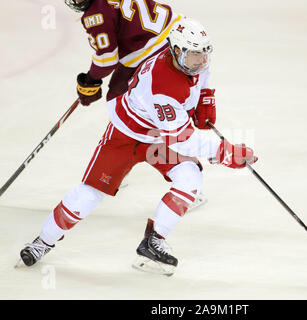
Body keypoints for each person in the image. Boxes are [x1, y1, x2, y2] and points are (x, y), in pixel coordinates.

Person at [18, 18, 257, 276]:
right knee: (89, 195)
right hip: (126, 136)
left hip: (157, 134)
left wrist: (206, 98)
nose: (200, 61)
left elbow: (203, 75)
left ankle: (153, 242)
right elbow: (183, 138)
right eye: (194, 55)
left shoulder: (189, 59)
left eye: (203, 53)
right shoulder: (162, 86)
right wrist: (225, 152)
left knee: (190, 177)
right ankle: (42, 241)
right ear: (176, 51)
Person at [66, 0, 206, 209]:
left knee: (122, 101)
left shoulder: (96, 12)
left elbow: (106, 60)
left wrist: (91, 80)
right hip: (178, 41)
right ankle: (185, 180)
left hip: (149, 53)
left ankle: (185, 181)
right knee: (148, 108)